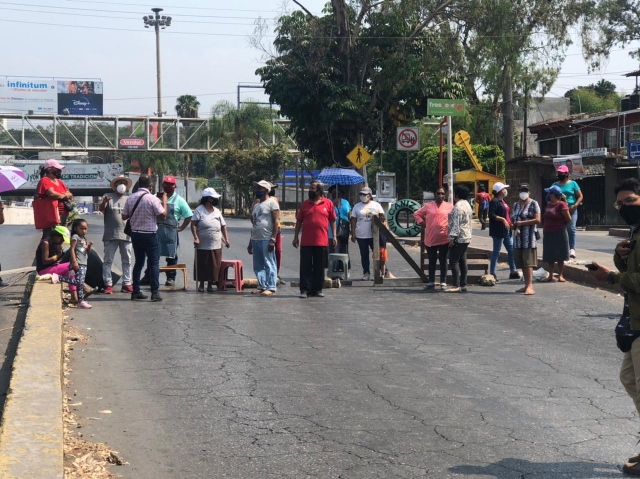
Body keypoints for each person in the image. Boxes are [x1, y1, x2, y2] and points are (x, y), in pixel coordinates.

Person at [588, 178, 640, 475]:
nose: (625, 208)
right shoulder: (636, 230)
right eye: (621, 204)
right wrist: (620, 258)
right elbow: (632, 269)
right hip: (636, 320)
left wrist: (612, 277)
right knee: (629, 379)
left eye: (631, 201)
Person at [122, 174, 168, 302]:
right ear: (150, 185)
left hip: (136, 234)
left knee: (138, 263)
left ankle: (136, 291)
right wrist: (164, 200)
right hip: (150, 234)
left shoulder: (131, 198)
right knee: (154, 263)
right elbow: (163, 216)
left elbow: (124, 217)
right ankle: (154, 292)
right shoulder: (152, 199)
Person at [141, 175, 192, 287]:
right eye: (166, 184)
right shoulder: (154, 197)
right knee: (153, 256)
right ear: (162, 185)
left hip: (171, 232)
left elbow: (189, 215)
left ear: (175, 186)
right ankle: (148, 276)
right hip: (156, 230)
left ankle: (170, 278)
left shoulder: (179, 200)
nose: (168, 186)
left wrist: (182, 227)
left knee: (171, 256)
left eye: (171, 185)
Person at [293, 181, 337, 298]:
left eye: (313, 188)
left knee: (319, 267)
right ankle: (305, 290)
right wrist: (296, 236)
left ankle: (317, 289)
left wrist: (335, 236)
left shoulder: (327, 204)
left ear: (319, 191)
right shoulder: (305, 204)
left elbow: (332, 220)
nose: (310, 191)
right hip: (306, 241)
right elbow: (299, 221)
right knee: (305, 267)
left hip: (321, 241)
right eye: (310, 188)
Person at [99, 175, 133, 294]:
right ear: (115, 185)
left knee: (127, 261)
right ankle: (108, 284)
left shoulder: (129, 199)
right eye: (119, 182)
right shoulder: (107, 197)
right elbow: (101, 208)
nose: (122, 184)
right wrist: (104, 203)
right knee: (108, 261)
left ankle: (127, 284)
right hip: (110, 235)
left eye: (124, 182)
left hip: (126, 235)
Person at [191, 188, 230, 293]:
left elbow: (223, 226)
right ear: (209, 199)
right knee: (203, 263)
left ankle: (210, 284)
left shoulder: (217, 211)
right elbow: (193, 224)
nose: (216, 200)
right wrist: (196, 237)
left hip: (216, 243)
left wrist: (226, 239)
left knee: (214, 264)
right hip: (202, 243)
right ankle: (201, 284)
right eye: (214, 198)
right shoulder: (199, 210)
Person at [414, 186, 453, 289]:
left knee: (443, 260)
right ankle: (431, 281)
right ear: (434, 194)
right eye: (438, 193)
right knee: (432, 260)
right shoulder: (428, 206)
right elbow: (417, 214)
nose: (440, 195)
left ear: (445, 195)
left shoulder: (450, 206)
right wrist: (422, 223)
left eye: (442, 193)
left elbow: (454, 219)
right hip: (431, 238)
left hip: (445, 238)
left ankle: (443, 281)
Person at [50, 219, 93, 309]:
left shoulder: (83, 239)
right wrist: (74, 261)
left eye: (85, 229)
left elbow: (86, 253)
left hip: (84, 263)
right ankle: (59, 277)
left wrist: (89, 247)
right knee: (79, 282)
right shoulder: (75, 237)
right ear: (76, 228)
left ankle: (80, 301)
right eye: (81, 228)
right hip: (78, 263)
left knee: (80, 283)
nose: (84, 231)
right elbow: (72, 250)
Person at [248, 180, 279, 296]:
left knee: (269, 262)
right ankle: (262, 285)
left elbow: (276, 222)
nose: (257, 191)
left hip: (267, 238)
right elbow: (254, 224)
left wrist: (273, 239)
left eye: (260, 189)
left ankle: (271, 287)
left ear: (266, 190)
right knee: (258, 264)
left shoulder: (272, 203)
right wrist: (250, 242)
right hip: (256, 238)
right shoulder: (256, 205)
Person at [350, 187, 387, 281]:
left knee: (378, 254)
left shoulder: (376, 205)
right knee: (364, 254)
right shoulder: (357, 206)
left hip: (374, 235)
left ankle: (381, 273)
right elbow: (353, 220)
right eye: (361, 194)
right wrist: (353, 233)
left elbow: (383, 219)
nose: (362, 196)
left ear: (370, 195)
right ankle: (366, 272)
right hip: (361, 234)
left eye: (364, 194)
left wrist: (385, 232)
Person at [510, 184, 541, 295]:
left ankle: (530, 286)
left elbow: (538, 219)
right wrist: (512, 225)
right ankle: (525, 285)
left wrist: (523, 223)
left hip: (529, 238)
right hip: (518, 238)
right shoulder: (515, 205)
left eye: (525, 190)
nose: (523, 192)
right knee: (522, 262)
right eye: (522, 190)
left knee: (528, 262)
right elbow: (513, 218)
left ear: (529, 192)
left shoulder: (534, 203)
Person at [489, 182, 519, 282]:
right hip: (498, 231)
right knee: (496, 252)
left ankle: (513, 271)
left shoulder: (503, 201)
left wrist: (510, 223)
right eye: (504, 189)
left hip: (507, 230)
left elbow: (507, 215)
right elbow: (492, 215)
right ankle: (492, 272)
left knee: (511, 251)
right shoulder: (494, 201)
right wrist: (502, 219)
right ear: (500, 191)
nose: (505, 190)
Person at [446, 185, 473, 293]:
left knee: (453, 261)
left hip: (459, 237)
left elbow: (456, 224)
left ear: (456, 195)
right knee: (462, 261)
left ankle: (455, 284)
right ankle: (463, 284)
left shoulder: (457, 206)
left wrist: (452, 239)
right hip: (466, 236)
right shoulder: (467, 205)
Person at [542, 185, 571, 282]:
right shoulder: (548, 204)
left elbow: (568, 219)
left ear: (554, 194)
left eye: (550, 193)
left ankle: (560, 275)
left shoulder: (562, 205)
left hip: (559, 232)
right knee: (550, 254)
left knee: (560, 254)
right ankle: (550, 275)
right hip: (548, 233)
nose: (549, 195)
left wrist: (561, 226)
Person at [553, 164, 583, 259]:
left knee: (571, 229)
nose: (560, 174)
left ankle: (572, 249)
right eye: (559, 173)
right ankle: (561, 248)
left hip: (571, 209)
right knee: (560, 230)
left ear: (566, 174)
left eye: (561, 173)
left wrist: (575, 205)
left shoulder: (573, 184)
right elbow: (549, 197)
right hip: (559, 210)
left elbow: (580, 196)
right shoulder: (555, 185)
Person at [37, 159, 73, 236]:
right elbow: (52, 194)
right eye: (58, 169)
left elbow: (70, 194)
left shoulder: (60, 182)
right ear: (50, 170)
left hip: (64, 214)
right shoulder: (45, 180)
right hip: (52, 215)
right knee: (50, 237)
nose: (60, 171)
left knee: (61, 237)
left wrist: (65, 195)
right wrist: (64, 196)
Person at [328, 186, 351, 264]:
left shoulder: (345, 202)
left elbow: (349, 213)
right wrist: (333, 205)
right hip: (332, 231)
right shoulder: (328, 202)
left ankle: (343, 269)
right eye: (334, 192)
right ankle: (334, 270)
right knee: (334, 250)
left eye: (337, 192)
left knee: (343, 249)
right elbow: (327, 214)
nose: (336, 194)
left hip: (344, 229)